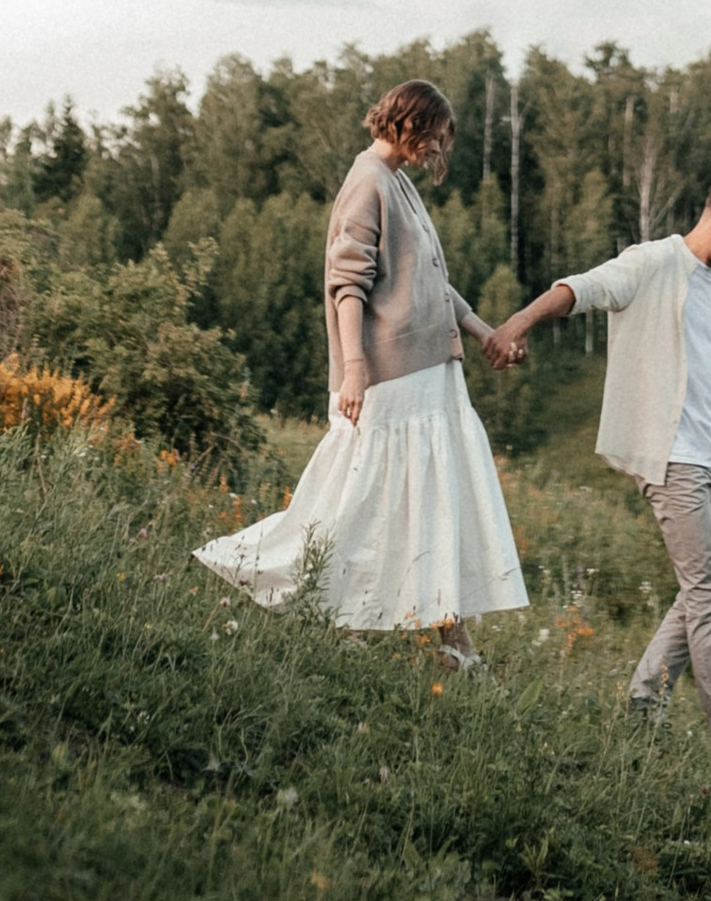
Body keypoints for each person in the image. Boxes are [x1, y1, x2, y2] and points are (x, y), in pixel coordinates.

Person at [194, 78, 527, 666]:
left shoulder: (397, 184)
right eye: (438, 135)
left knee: (427, 501)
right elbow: (347, 283)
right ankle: (280, 580)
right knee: (360, 504)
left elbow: (430, 282)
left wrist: (483, 333)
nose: (440, 149)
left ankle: (449, 636)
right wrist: (354, 370)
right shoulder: (367, 182)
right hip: (389, 380)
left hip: (427, 377)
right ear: (412, 124)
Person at [488, 176, 711, 780]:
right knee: (710, 592)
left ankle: (641, 708)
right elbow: (576, 290)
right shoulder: (652, 263)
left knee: (705, 590)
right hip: (672, 457)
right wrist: (515, 325)